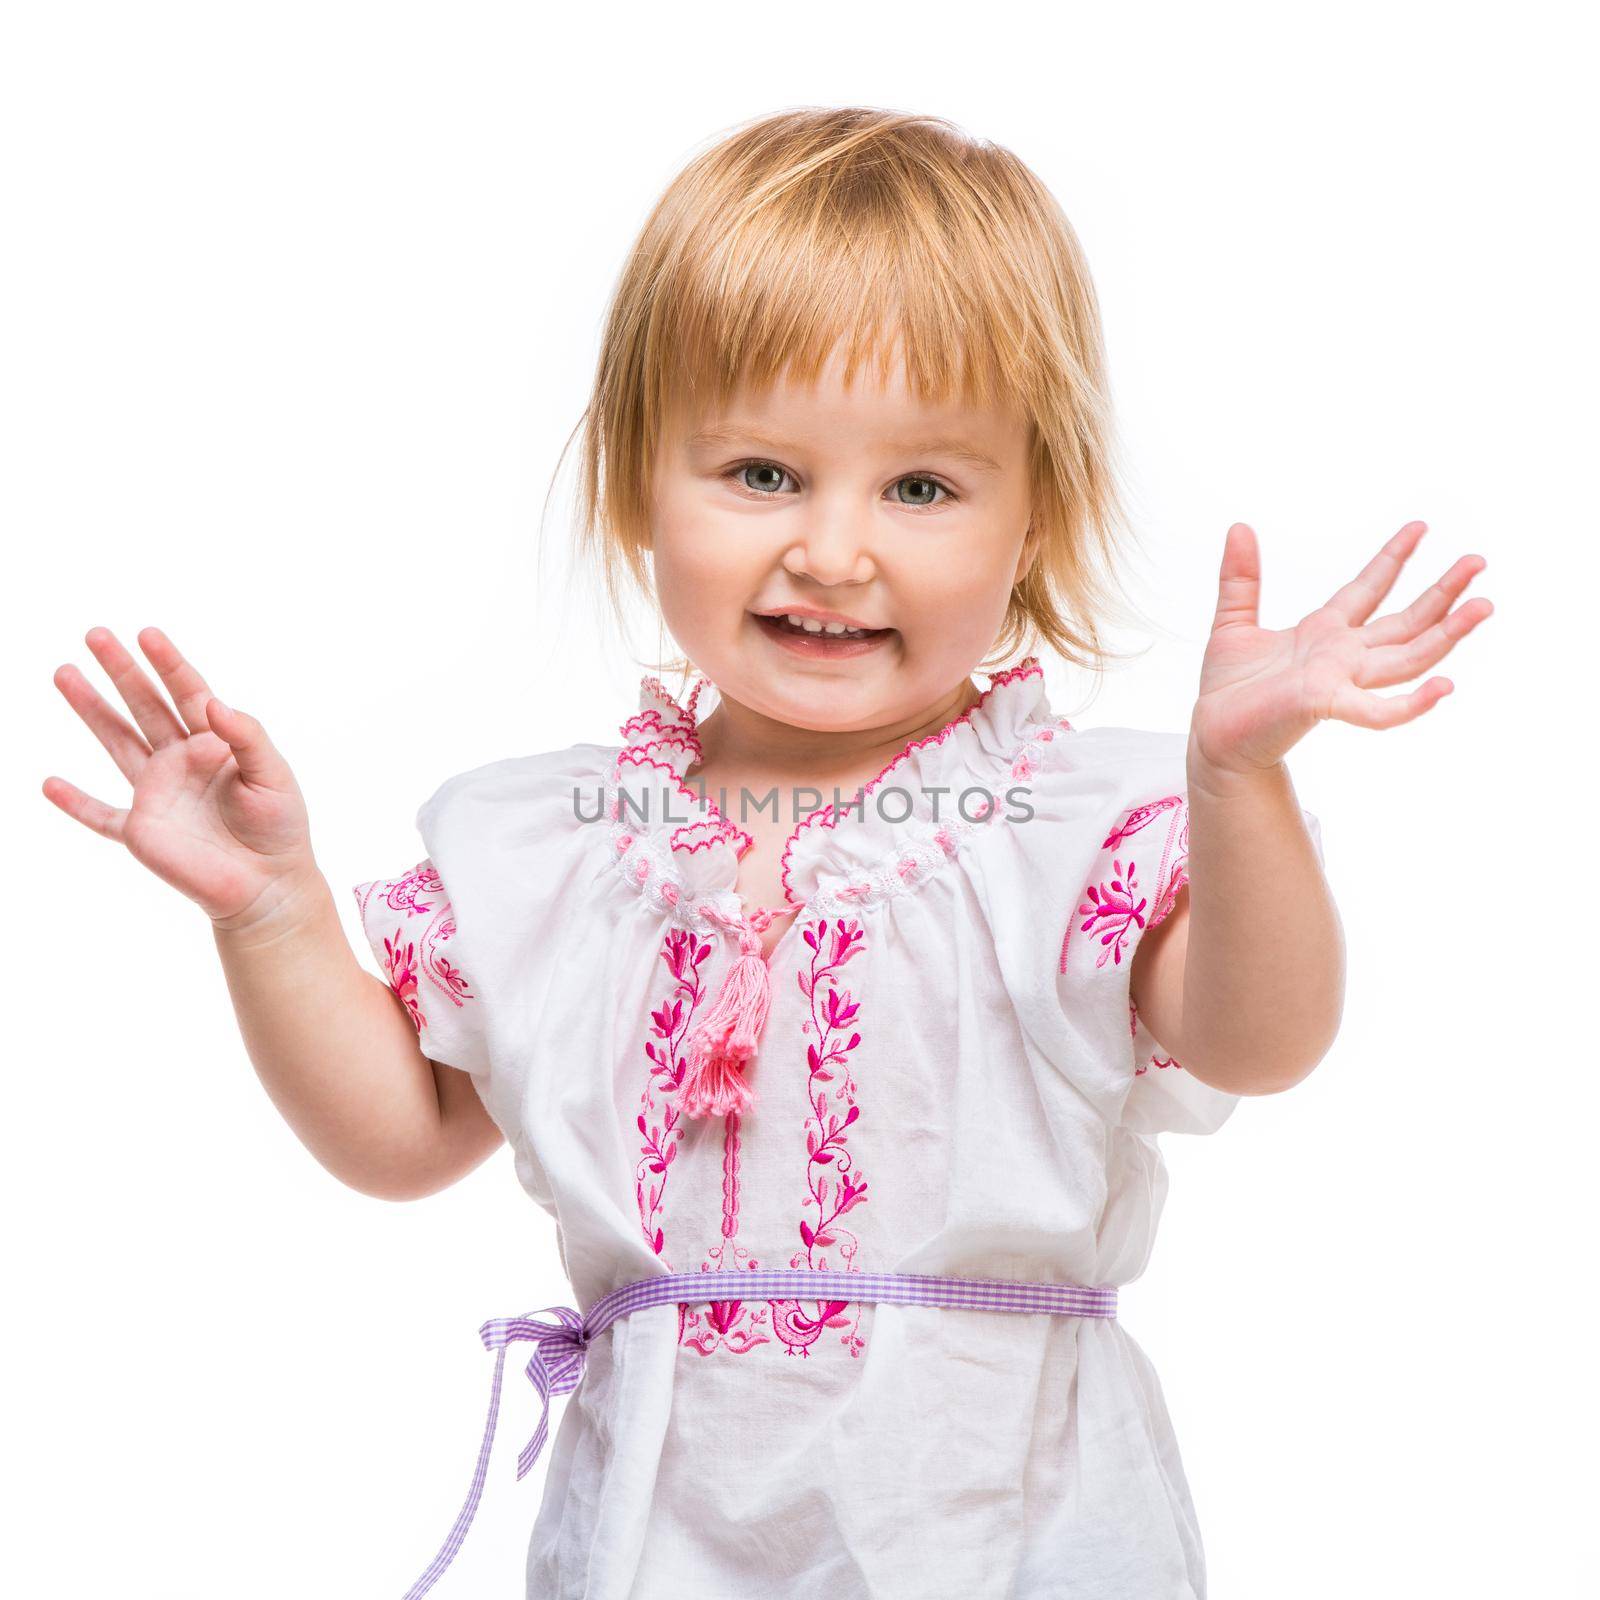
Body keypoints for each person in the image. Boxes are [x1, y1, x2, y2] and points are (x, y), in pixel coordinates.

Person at [43, 107, 1491, 1599]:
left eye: (922, 488)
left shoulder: (1065, 834)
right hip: (653, 1545)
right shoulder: (555, 851)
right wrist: (271, 911)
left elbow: (1257, 1040)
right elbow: (401, 1140)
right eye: (759, 472)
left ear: (1032, 520)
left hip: (1001, 1532)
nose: (833, 550)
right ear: (632, 483)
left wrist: (1232, 785)